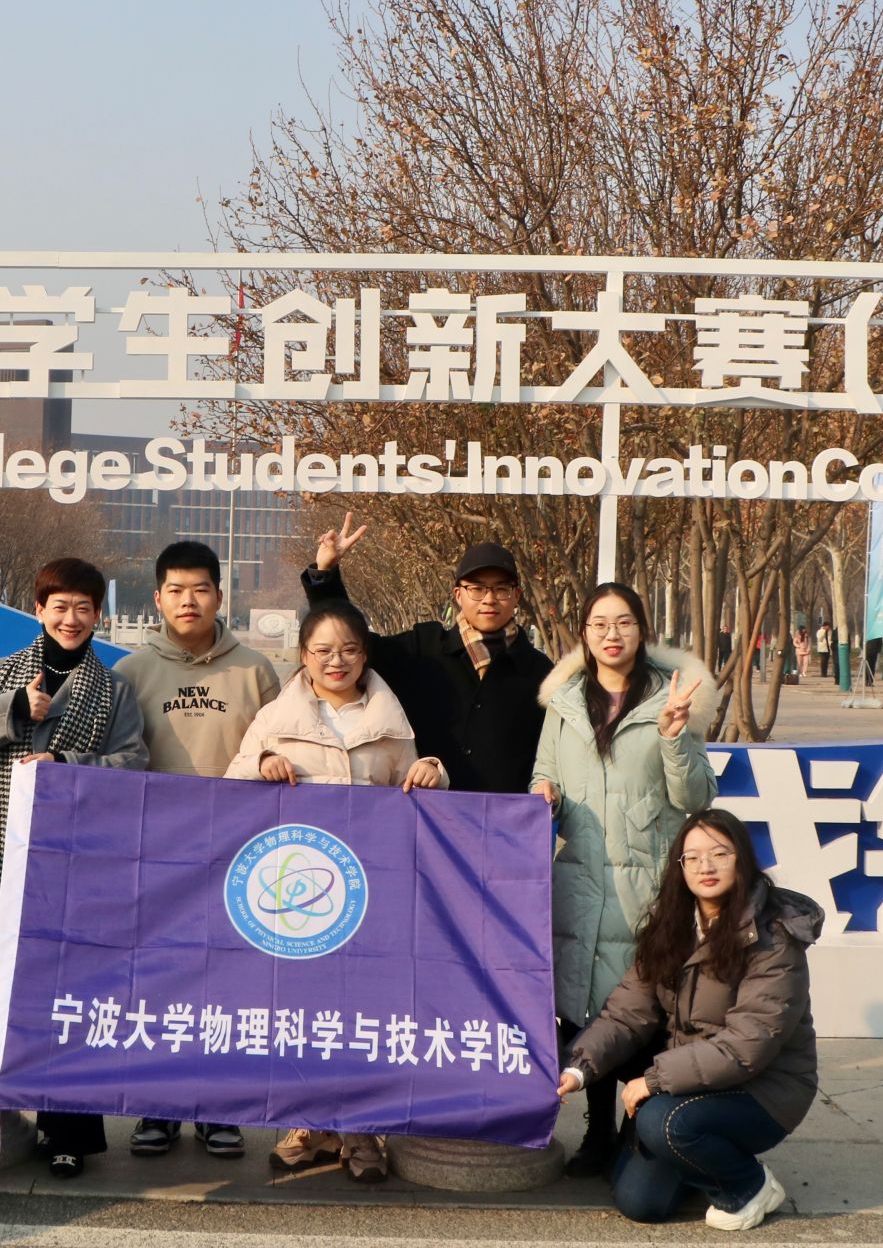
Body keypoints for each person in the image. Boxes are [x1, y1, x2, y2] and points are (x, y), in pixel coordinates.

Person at [226, 598, 445, 1181]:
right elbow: (232, 782)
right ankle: (309, 1122)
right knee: (301, 1010)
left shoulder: (391, 721)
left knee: (362, 1012)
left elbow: (416, 794)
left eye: (348, 649)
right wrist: (263, 763)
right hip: (297, 898)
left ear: (364, 654)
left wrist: (433, 770)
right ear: (303, 656)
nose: (336, 660)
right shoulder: (275, 718)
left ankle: (361, 1129)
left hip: (369, 891)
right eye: (322, 650)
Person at [0, 556, 146, 1178]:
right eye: (60, 606)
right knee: (11, 986)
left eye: (84, 607)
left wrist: (67, 763)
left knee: (73, 992)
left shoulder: (113, 689)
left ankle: (68, 1133)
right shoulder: (2, 674)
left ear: (98, 615)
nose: (71, 618)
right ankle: (1, 1121)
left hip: (79, 860)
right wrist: (12, 713)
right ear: (39, 610)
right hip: (5, 852)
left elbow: (134, 762)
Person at [558, 808, 822, 1231]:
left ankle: (748, 1186)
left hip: (763, 1090)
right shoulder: (671, 924)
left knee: (661, 1123)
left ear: (742, 859)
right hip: (695, 1079)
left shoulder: (773, 937)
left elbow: (747, 1045)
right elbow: (626, 1013)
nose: (706, 867)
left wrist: (655, 1082)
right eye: (693, 857)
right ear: (679, 867)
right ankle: (695, 1149)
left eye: (719, 854)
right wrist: (576, 1068)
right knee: (639, 1201)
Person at [532, 583, 719, 1179]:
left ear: (642, 629)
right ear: (584, 634)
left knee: (642, 1010)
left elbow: (697, 797)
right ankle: (596, 1130)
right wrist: (544, 792)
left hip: (646, 886)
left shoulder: (672, 697)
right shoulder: (564, 703)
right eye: (599, 624)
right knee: (585, 1009)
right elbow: (543, 772)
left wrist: (673, 737)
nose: (611, 635)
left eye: (624, 622)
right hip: (579, 881)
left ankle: (640, 1126)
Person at [115, 540, 278, 1160]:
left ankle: (219, 1109)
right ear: (158, 598)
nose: (189, 601)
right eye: (177, 591)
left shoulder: (256, 671)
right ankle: (157, 1107)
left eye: (201, 590)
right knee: (159, 982)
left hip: (239, 854)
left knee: (228, 983)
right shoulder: (131, 672)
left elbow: (283, 748)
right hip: (157, 854)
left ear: (219, 596)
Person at [301, 512, 552, 794]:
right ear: (458, 595)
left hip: (502, 815)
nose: (489, 599)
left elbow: (552, 754)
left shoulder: (540, 672)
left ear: (517, 596)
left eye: (501, 589)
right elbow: (354, 643)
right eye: (477, 589)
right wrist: (325, 577)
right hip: (424, 811)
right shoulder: (424, 648)